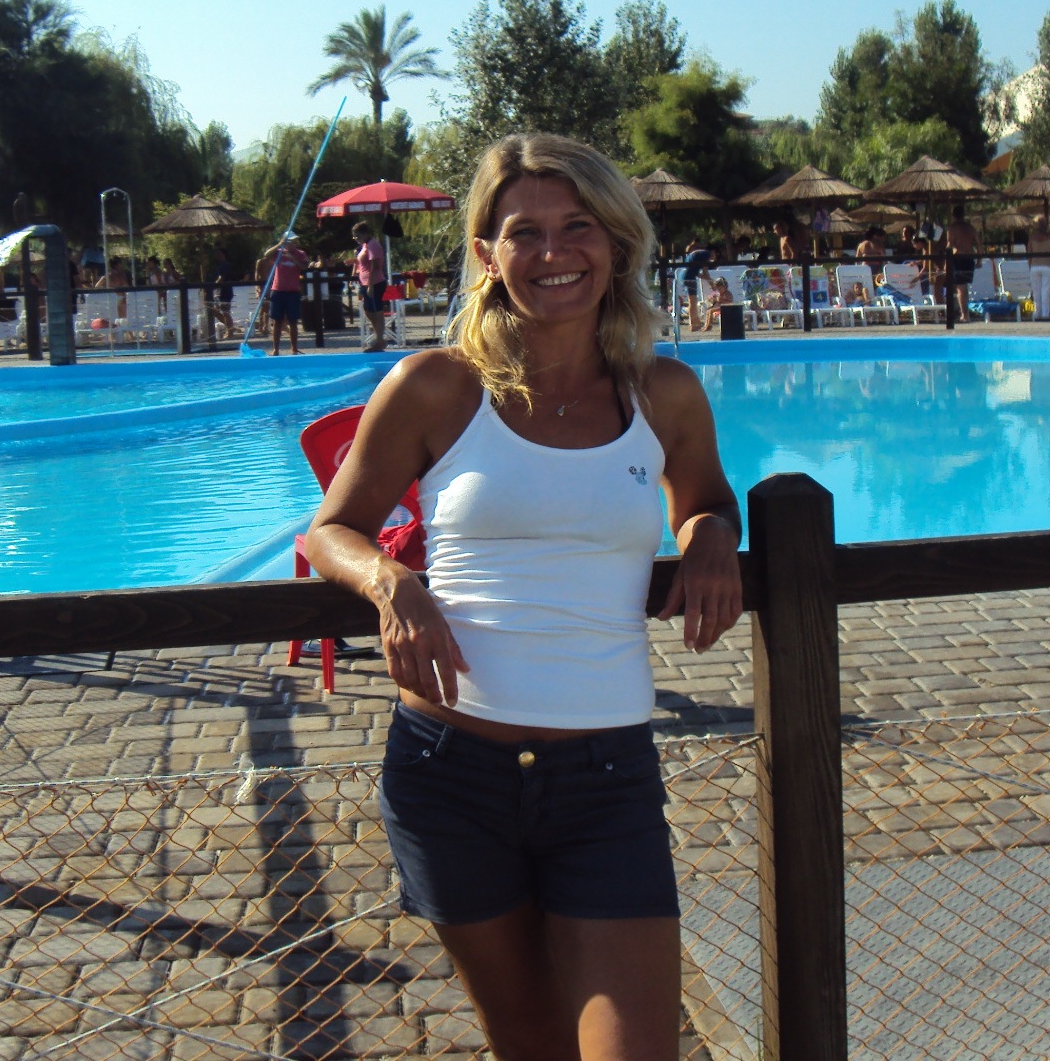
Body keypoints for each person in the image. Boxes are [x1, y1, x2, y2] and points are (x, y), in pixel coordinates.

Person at [303, 133, 741, 1061]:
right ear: (486, 254)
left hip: (606, 781)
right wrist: (392, 582)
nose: (553, 252)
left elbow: (705, 498)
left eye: (577, 226)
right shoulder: (435, 387)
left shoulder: (662, 394)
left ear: (615, 241)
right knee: (532, 1046)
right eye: (524, 232)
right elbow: (331, 530)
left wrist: (710, 539)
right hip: (449, 774)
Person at [258, 235, 309, 354]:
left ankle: (294, 348)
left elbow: (304, 267)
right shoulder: (279, 252)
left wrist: (292, 258)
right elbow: (266, 255)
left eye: (294, 241)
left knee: (293, 321)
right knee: (277, 321)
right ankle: (276, 349)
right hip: (278, 290)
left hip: (293, 291)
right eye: (290, 241)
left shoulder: (300, 253)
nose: (293, 244)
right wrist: (279, 244)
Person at [353, 220, 389, 351]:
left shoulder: (373, 245)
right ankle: (379, 338)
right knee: (369, 311)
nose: (356, 239)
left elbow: (375, 266)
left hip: (375, 282)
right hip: (365, 282)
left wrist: (371, 285)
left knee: (376, 311)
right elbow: (364, 262)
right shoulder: (365, 245)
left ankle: (379, 340)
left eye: (358, 236)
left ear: (365, 233)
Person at [945, 205, 979, 320]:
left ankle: (965, 315)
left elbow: (949, 245)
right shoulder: (970, 228)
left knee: (961, 288)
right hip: (969, 258)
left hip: (958, 258)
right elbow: (979, 244)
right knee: (963, 287)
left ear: (954, 216)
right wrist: (979, 260)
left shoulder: (952, 228)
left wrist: (946, 263)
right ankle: (965, 313)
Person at [1026, 218, 1050, 321]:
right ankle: (1045, 314)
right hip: (1048, 266)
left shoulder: (1032, 237)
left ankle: (1037, 312)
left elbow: (1029, 254)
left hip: (1035, 266)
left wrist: (1030, 266)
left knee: (1036, 291)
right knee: (1046, 291)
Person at [679, 238, 713, 331]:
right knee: (692, 301)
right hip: (689, 277)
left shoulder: (697, 254)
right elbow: (705, 272)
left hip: (684, 275)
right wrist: (712, 284)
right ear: (713, 252)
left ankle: (696, 322)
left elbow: (697, 272)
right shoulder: (706, 254)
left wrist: (709, 280)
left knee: (693, 300)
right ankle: (693, 324)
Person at [209, 250, 240, 340]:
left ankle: (230, 332)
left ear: (223, 255)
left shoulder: (225, 265)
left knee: (225, 312)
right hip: (220, 292)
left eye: (219, 254)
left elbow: (221, 278)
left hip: (225, 291)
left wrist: (213, 285)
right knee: (215, 311)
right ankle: (230, 327)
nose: (217, 256)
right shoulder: (219, 265)